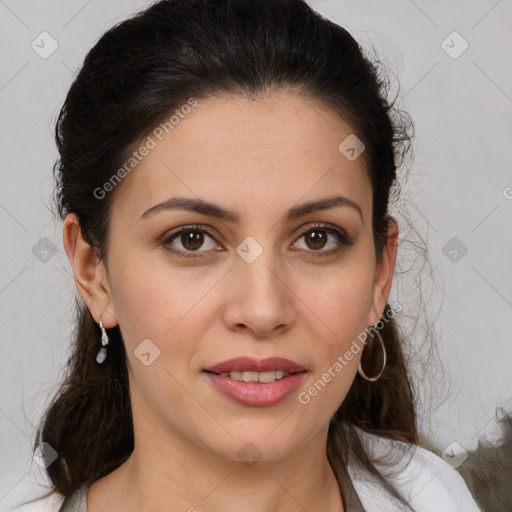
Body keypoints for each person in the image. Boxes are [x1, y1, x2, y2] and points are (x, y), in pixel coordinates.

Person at [15, 0, 483, 510]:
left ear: (379, 273)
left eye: (317, 238)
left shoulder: (436, 495)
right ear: (94, 274)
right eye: (191, 239)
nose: (263, 311)